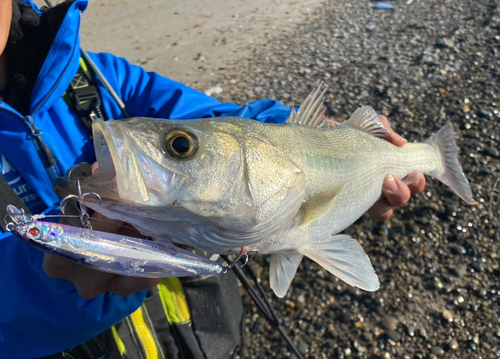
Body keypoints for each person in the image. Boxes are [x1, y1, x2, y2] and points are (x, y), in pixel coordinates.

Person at [0, 0, 425, 358]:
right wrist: (48, 285)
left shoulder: (98, 75)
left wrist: (298, 131)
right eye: (178, 148)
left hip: (204, 336)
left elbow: (218, 122)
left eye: (179, 148)